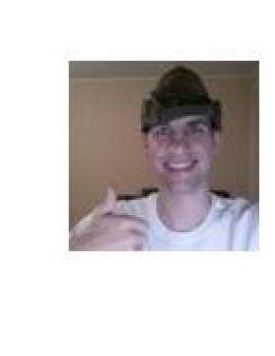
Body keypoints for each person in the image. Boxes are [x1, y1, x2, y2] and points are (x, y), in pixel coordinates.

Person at [69, 65, 258, 251]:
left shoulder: (251, 227)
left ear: (215, 140)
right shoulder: (108, 224)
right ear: (146, 143)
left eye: (195, 129)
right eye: (163, 131)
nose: (178, 146)